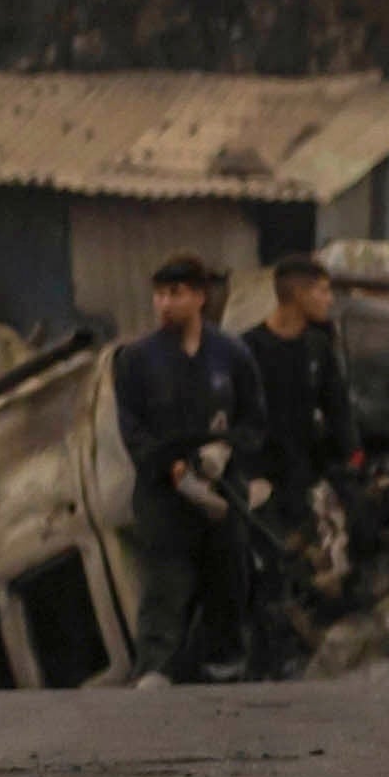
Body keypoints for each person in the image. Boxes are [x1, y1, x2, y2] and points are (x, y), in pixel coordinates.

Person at [110, 256, 259, 684]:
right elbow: (133, 431)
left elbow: (253, 421)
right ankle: (155, 668)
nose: (164, 304)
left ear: (199, 296)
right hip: (164, 492)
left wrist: (225, 452)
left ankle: (223, 666)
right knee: (166, 583)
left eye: (175, 293)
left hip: (221, 488)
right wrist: (173, 469)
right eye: (159, 294)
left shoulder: (231, 355)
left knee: (228, 576)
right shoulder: (136, 360)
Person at [239, 253, 372, 661]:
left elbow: (337, 409)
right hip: (262, 480)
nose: (329, 299)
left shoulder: (318, 346)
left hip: (307, 472)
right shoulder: (249, 349)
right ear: (296, 294)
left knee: (347, 537)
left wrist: (350, 457)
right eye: (322, 289)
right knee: (268, 566)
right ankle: (266, 653)